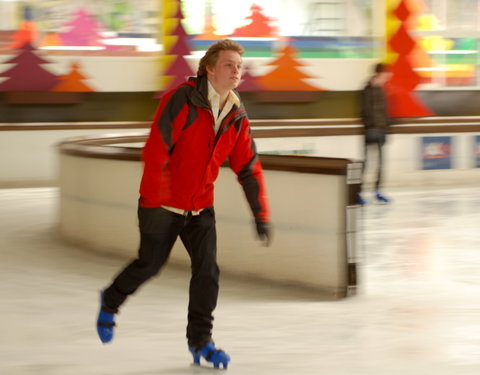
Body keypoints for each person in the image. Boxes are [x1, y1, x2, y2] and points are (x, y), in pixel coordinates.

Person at [96, 39, 271, 369]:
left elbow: (247, 166)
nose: (237, 71)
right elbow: (156, 150)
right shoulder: (182, 99)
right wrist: (156, 199)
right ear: (210, 68)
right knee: (149, 265)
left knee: (208, 273)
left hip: (200, 206)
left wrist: (260, 213)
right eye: (229, 64)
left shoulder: (236, 113)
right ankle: (110, 300)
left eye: (239, 66)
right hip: (162, 203)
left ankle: (201, 342)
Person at [358, 62, 392, 205]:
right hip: (371, 130)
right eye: (386, 74)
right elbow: (365, 111)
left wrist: (385, 128)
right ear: (380, 74)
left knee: (380, 164)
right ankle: (358, 192)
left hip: (380, 130)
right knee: (367, 163)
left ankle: (377, 191)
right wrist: (370, 126)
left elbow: (383, 111)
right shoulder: (368, 89)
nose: (387, 77)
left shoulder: (380, 90)